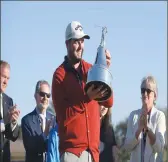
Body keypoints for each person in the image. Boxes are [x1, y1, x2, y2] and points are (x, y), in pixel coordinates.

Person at [52, 21, 113, 162]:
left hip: (93, 152)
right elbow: (63, 117)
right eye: (76, 42)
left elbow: (109, 101)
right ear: (67, 44)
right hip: (72, 153)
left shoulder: (91, 69)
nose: (80, 46)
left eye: (82, 41)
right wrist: (86, 97)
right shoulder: (59, 75)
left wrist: (104, 70)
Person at [124, 75, 166, 162]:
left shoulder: (159, 116)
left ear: (155, 95)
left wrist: (147, 129)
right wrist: (139, 129)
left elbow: (160, 147)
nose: (145, 94)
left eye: (148, 90)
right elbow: (127, 146)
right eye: (143, 91)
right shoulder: (133, 115)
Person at [21, 80, 55, 162]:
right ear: (35, 95)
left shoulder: (54, 120)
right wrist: (45, 133)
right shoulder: (26, 121)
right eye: (42, 94)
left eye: (48, 95)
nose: (45, 98)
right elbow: (31, 147)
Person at [0, 60, 20, 162]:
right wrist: (4, 122)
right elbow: (4, 123)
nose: (6, 82)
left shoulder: (9, 101)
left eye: (8, 78)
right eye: (3, 76)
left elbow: (13, 137)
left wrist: (13, 122)